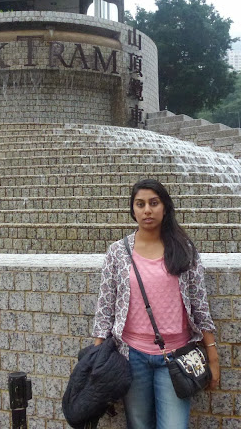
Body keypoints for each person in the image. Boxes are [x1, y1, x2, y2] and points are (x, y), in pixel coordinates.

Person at [92, 179, 219, 429]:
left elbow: (200, 305)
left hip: (176, 357)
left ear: (164, 207)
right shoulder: (118, 252)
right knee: (139, 425)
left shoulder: (184, 249)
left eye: (153, 203)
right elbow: (105, 307)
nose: (147, 210)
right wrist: (95, 359)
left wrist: (212, 356)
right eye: (140, 204)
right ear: (133, 210)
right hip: (131, 355)